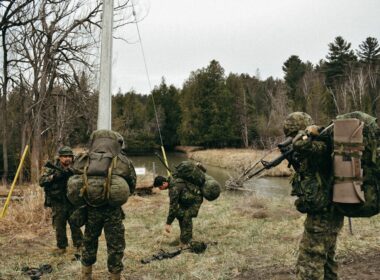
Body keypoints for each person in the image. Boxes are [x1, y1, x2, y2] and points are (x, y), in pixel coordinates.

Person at [283, 112, 344, 280]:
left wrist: (307, 133)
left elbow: (300, 145)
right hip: (330, 212)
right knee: (326, 260)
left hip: (323, 217)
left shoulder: (320, 146)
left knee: (309, 262)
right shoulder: (321, 147)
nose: (291, 139)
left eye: (292, 134)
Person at [80, 130, 136, 280]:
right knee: (115, 244)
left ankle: (86, 275)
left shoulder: (86, 158)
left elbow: (76, 179)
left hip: (91, 209)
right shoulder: (122, 161)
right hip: (112, 210)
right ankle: (115, 276)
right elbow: (132, 184)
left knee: (89, 241)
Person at [39, 146, 83, 255]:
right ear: (60, 157)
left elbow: (83, 176)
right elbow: (41, 181)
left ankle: (79, 246)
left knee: (75, 224)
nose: (67, 158)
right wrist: (54, 177)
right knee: (59, 225)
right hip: (58, 201)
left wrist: (73, 173)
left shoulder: (75, 166)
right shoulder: (51, 168)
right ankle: (61, 247)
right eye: (65, 156)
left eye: (69, 156)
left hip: (72, 201)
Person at [153, 174, 203, 246]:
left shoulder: (174, 188)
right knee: (180, 214)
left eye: (160, 187)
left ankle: (187, 240)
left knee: (186, 215)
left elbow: (173, 207)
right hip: (188, 199)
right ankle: (184, 238)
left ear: (164, 183)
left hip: (195, 200)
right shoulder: (172, 180)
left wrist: (168, 223)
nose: (160, 189)